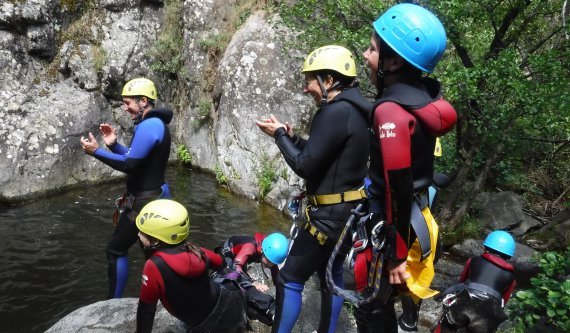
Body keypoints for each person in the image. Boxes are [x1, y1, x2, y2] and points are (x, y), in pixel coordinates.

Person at [357, 3, 457, 332]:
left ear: (394, 61)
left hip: (398, 225)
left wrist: (397, 255)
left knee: (372, 308)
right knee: (385, 302)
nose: (366, 55)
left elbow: (397, 184)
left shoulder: (389, 111)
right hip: (419, 216)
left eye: (372, 49)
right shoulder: (424, 96)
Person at [255, 45, 370, 333]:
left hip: (327, 219)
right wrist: (293, 137)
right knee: (331, 276)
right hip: (348, 214)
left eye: (310, 81)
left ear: (328, 81)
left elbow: (305, 167)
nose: (307, 89)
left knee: (289, 279)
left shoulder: (334, 112)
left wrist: (279, 136)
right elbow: (324, 158)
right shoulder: (356, 110)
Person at [80, 77, 173, 298]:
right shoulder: (152, 123)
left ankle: (114, 303)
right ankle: (166, 295)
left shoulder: (150, 125)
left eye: (128, 103)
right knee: (152, 251)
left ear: (143, 101)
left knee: (115, 249)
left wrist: (96, 152)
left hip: (145, 201)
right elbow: (138, 159)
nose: (125, 108)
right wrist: (113, 145)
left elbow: (131, 165)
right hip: (153, 196)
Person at [134, 199, 248, 333]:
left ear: (157, 239)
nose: (138, 234)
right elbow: (222, 264)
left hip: (206, 325)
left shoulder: (154, 265)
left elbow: (146, 310)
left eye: (142, 232)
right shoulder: (195, 250)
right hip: (232, 306)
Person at [432, 230, 517, 333]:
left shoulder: (473, 260)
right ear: (509, 256)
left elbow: (461, 282)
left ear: (486, 248)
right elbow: (503, 302)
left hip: (466, 303)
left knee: (447, 327)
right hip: (487, 316)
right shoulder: (511, 277)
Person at [216, 232, 289, 291]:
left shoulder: (268, 253)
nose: (271, 266)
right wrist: (253, 283)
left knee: (244, 277)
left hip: (240, 257)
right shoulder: (250, 248)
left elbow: (276, 276)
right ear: (264, 252)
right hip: (227, 255)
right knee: (234, 281)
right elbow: (236, 266)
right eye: (270, 262)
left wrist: (282, 289)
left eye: (274, 263)